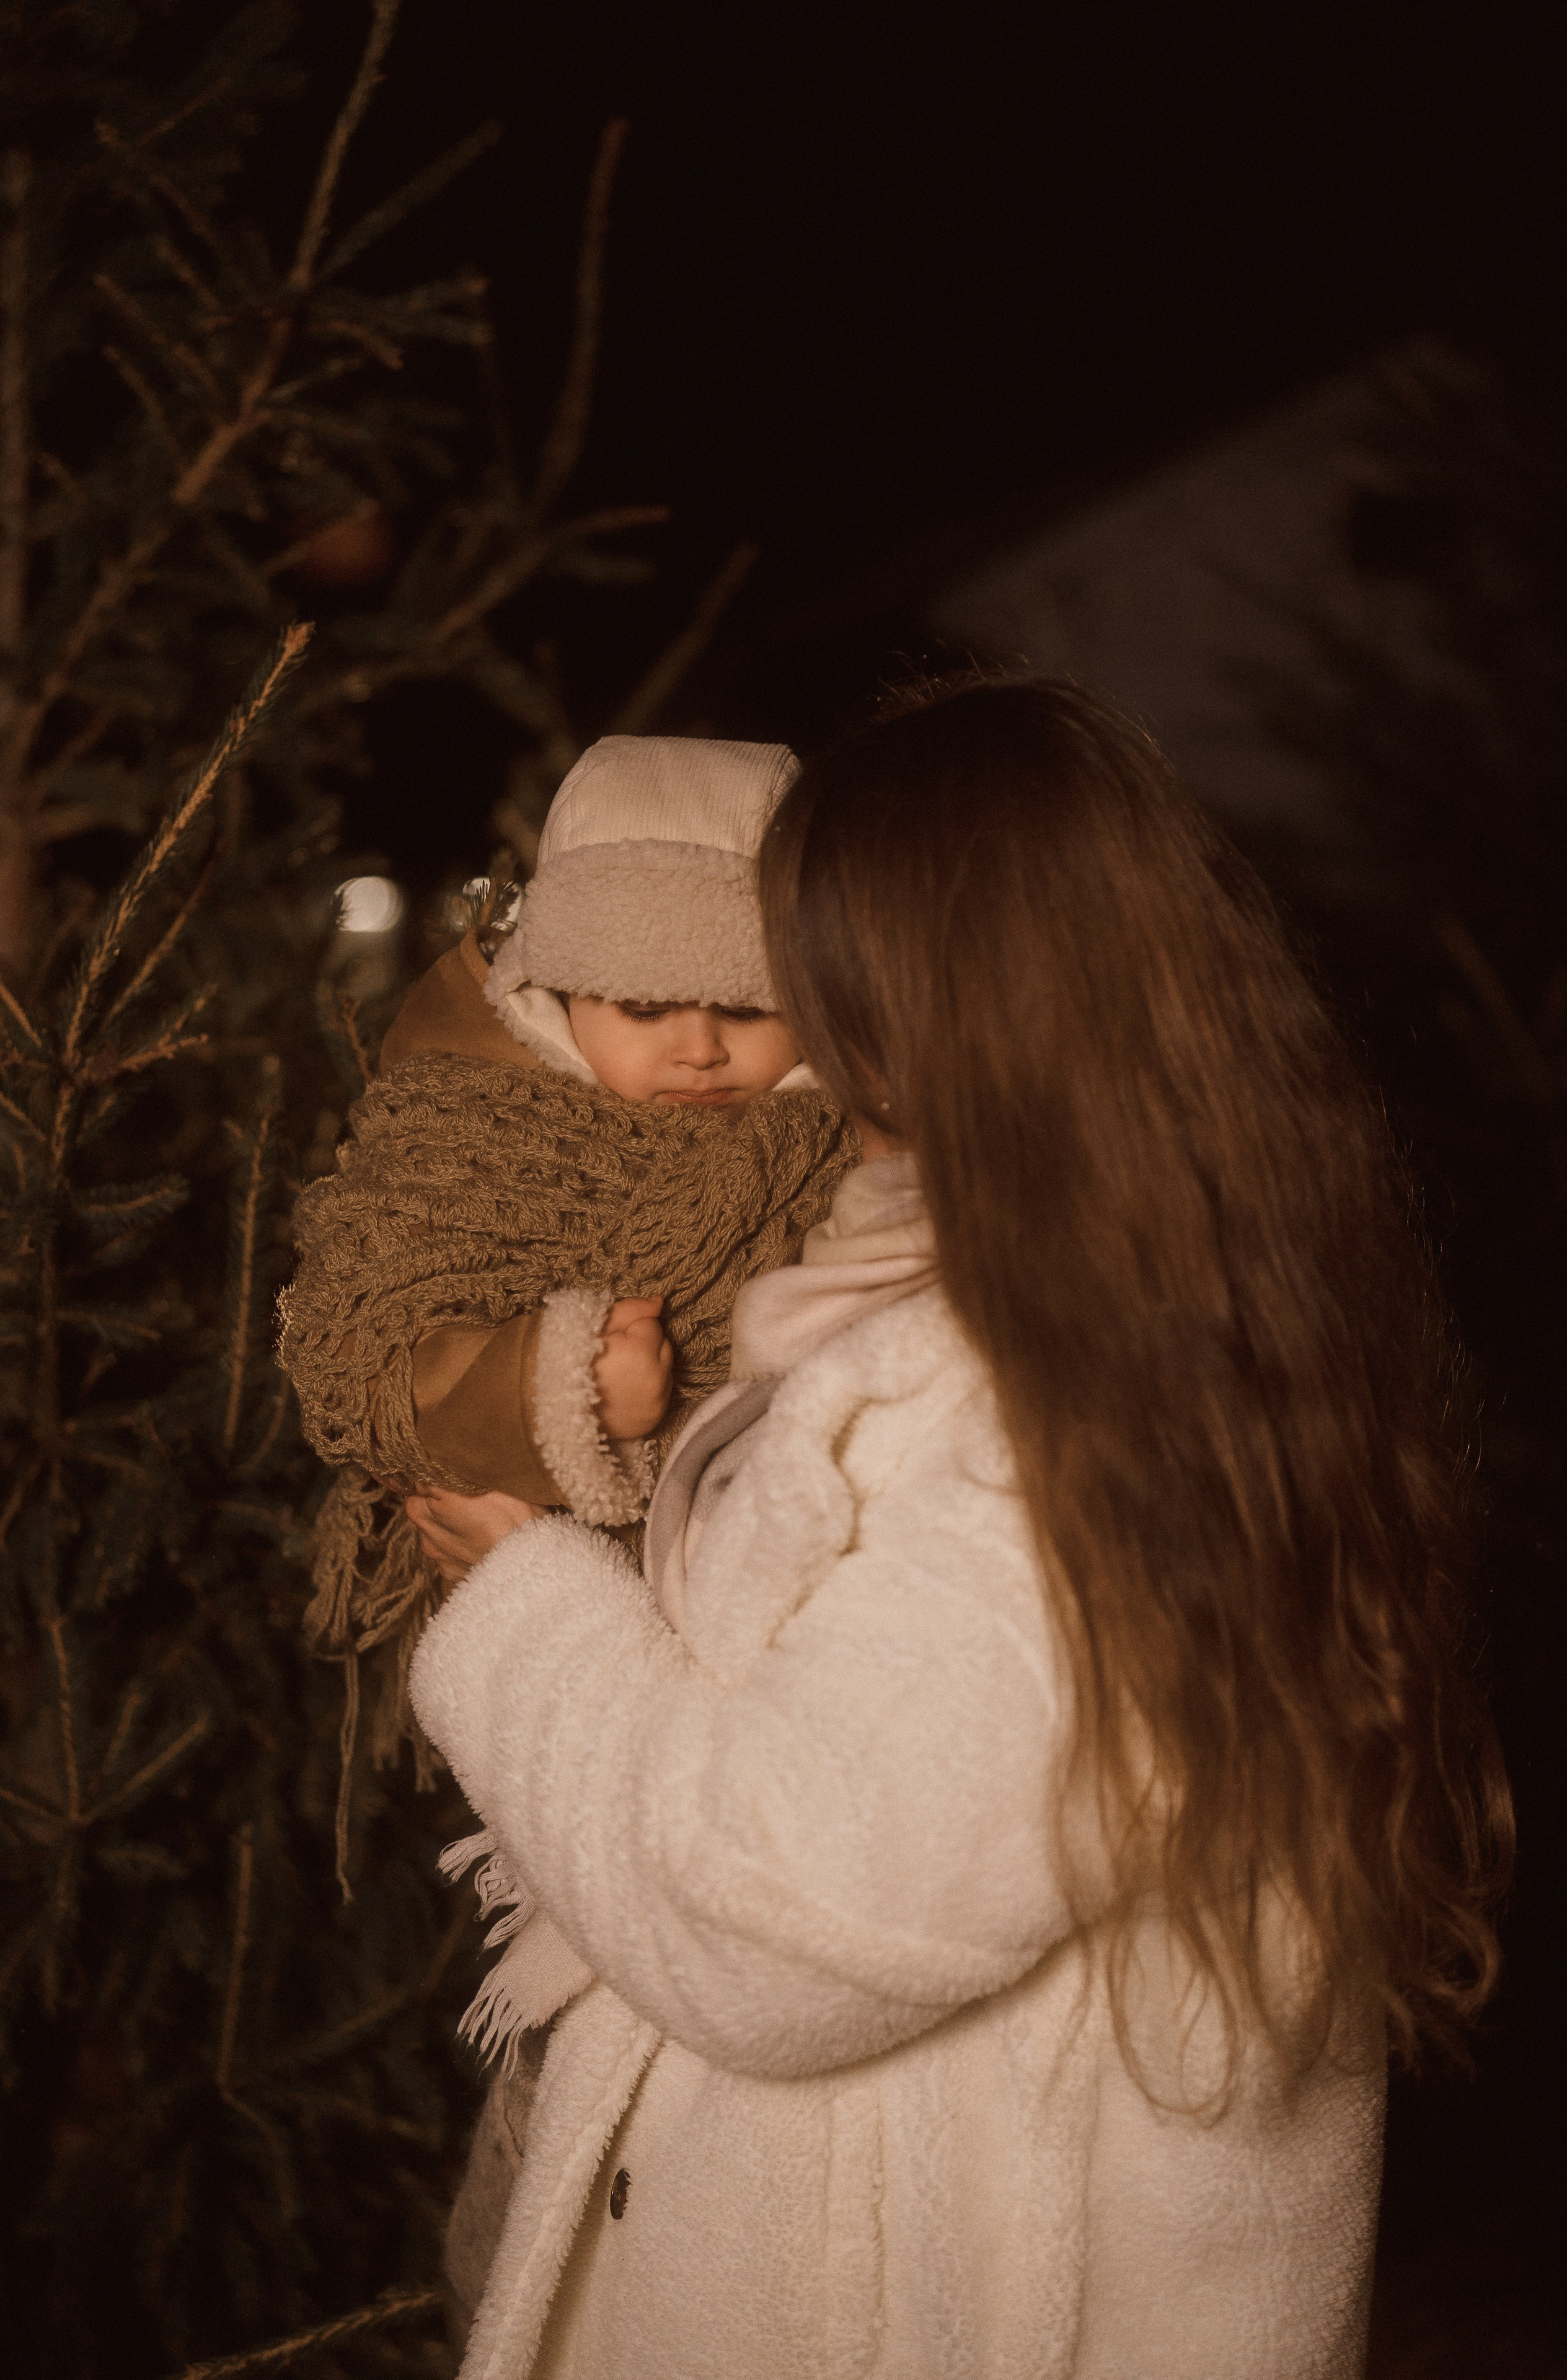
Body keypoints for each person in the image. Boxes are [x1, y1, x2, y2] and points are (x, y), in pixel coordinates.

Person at [406, 679, 1512, 2379]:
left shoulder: (1083, 1417)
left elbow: (774, 1908)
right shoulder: (1049, 1284)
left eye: (819, 977)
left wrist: (525, 1603)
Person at [278, 733, 856, 1788]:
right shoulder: (471, 1127)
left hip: (784, 1648)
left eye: (746, 1005)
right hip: (548, 1651)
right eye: (644, 1007)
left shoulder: (851, 1146)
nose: (698, 1047)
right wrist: (563, 1384)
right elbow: (367, 1341)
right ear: (560, 989)